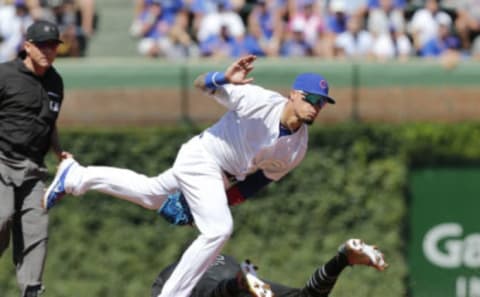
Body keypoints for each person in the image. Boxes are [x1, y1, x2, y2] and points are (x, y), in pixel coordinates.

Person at [42, 54, 336, 297]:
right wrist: (222, 78)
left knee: (149, 193)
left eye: (322, 102)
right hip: (202, 158)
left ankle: (76, 176)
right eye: (312, 98)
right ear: (295, 94)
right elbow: (201, 84)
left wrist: (222, 199)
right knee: (219, 230)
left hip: (221, 177)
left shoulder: (297, 148)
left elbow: (258, 182)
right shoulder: (258, 100)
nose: (316, 106)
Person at [0, 20, 71, 297]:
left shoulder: (55, 81)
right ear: (27, 46)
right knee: (2, 217)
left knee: (37, 230)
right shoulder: (5, 75)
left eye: (52, 45)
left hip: (33, 169)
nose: (47, 50)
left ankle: (31, 291)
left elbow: (49, 122)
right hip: (2, 161)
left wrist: (58, 151)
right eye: (41, 45)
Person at [151, 238, 388, 297]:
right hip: (226, 276)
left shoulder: (172, 276)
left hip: (225, 280)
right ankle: (342, 258)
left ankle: (237, 284)